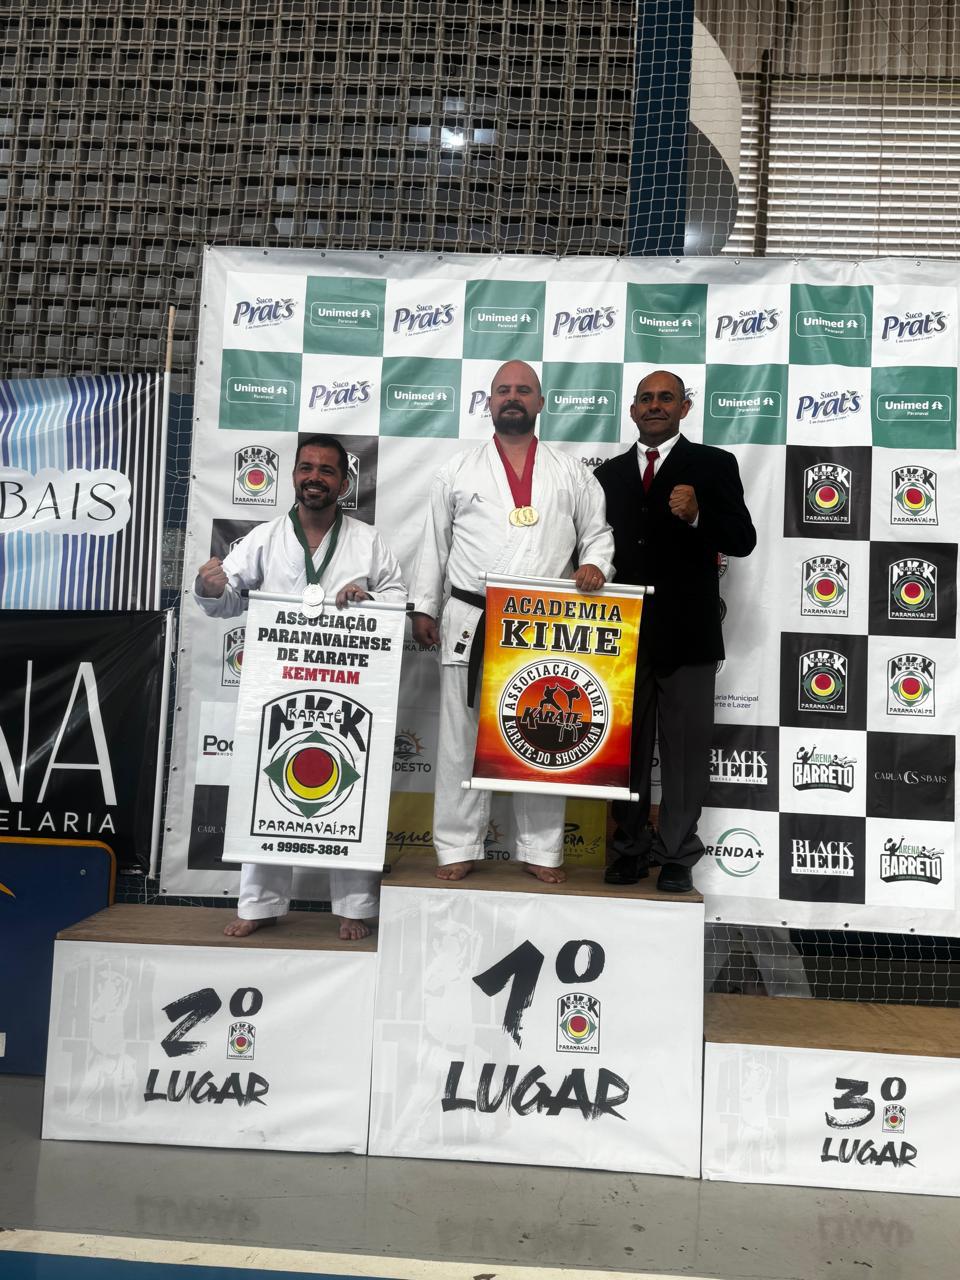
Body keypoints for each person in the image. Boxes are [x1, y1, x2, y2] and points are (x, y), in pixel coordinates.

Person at [194, 433, 406, 939]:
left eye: (327, 470)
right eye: (307, 468)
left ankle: (354, 904)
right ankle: (259, 903)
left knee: (354, 783)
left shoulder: (367, 540)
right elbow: (226, 599)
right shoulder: (265, 537)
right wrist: (208, 586)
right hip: (279, 684)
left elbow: (398, 597)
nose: (315, 478)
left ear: (344, 482)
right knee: (266, 784)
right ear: (293, 475)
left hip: (348, 684)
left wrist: (370, 598)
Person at [410, 360, 614, 884]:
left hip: (543, 622)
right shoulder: (457, 471)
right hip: (470, 617)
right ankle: (457, 845)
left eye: (523, 390)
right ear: (489, 402)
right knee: (459, 740)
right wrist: (425, 606)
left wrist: (595, 564)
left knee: (544, 736)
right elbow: (435, 544)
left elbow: (597, 533)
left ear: (540, 402)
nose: (513, 397)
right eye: (503, 390)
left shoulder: (571, 472)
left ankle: (541, 849)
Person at [594, 370, 756, 893]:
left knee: (684, 753)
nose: (655, 405)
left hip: (687, 633)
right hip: (621, 635)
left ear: (685, 408)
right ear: (632, 410)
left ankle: (678, 854)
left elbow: (743, 539)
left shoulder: (713, 464)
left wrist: (699, 514)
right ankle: (628, 848)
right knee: (624, 750)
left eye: (667, 398)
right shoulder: (608, 475)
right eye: (646, 398)